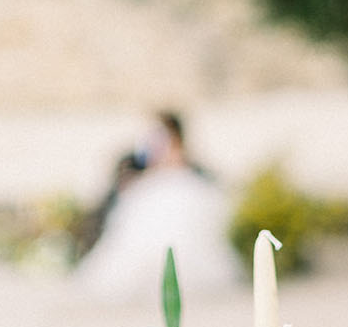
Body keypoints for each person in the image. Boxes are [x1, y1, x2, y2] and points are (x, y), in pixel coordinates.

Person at [74, 111, 240, 300]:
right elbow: (147, 161)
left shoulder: (178, 147)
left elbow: (179, 162)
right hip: (159, 182)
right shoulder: (150, 143)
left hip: (178, 183)